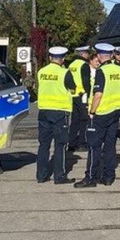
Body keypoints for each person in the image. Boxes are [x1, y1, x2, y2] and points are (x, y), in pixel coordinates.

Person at [74, 43, 120, 188]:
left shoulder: (101, 71)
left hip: (102, 113)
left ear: (98, 56)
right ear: (111, 55)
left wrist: (92, 112)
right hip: (116, 111)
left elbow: (98, 95)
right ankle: (108, 177)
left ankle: (91, 178)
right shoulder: (119, 70)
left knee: (94, 146)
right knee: (110, 145)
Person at [35, 46, 78, 185]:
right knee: (60, 145)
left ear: (50, 58)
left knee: (43, 145)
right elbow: (73, 87)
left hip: (44, 111)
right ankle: (59, 176)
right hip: (60, 112)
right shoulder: (65, 72)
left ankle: (41, 176)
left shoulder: (41, 72)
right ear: (63, 59)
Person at [66, 46, 91, 151]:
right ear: (83, 54)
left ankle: (71, 143)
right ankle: (82, 143)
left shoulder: (72, 65)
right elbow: (86, 82)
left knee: (75, 120)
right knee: (84, 119)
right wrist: (89, 95)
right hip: (82, 95)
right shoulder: (84, 65)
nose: (88, 55)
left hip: (72, 95)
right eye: (87, 53)